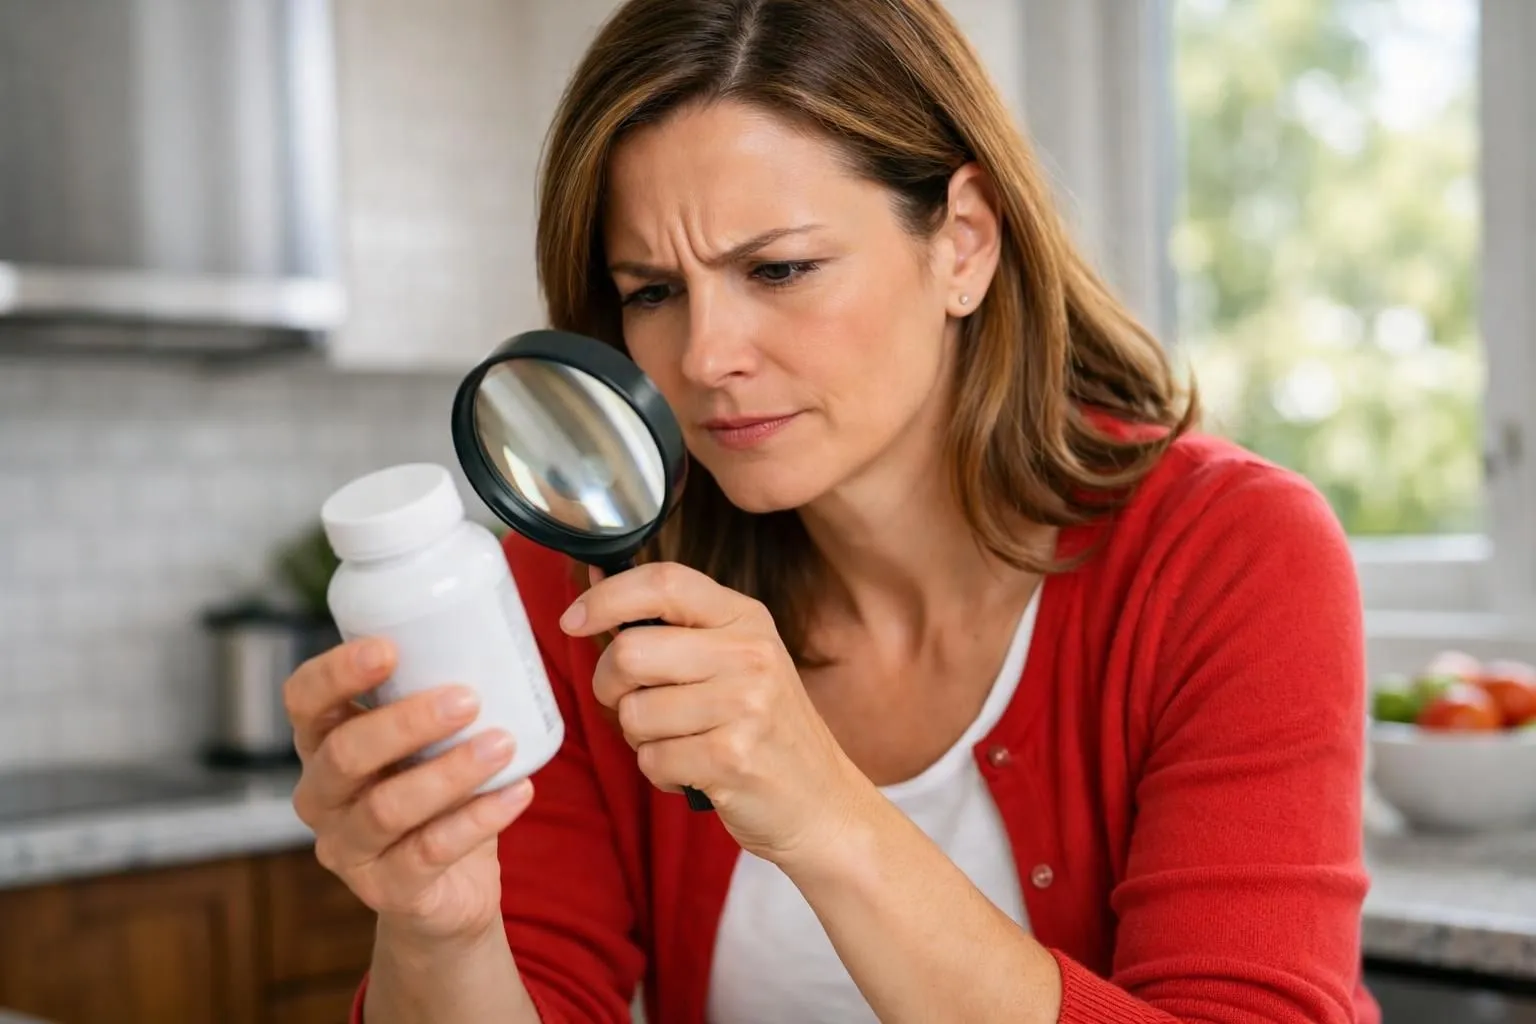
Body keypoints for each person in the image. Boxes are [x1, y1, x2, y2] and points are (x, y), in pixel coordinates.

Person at [283, 0, 1379, 1021]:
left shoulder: (1228, 556)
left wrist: (824, 813)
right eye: (653, 292)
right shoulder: (579, 597)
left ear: (963, 243)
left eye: (782, 268)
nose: (706, 357)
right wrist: (441, 932)